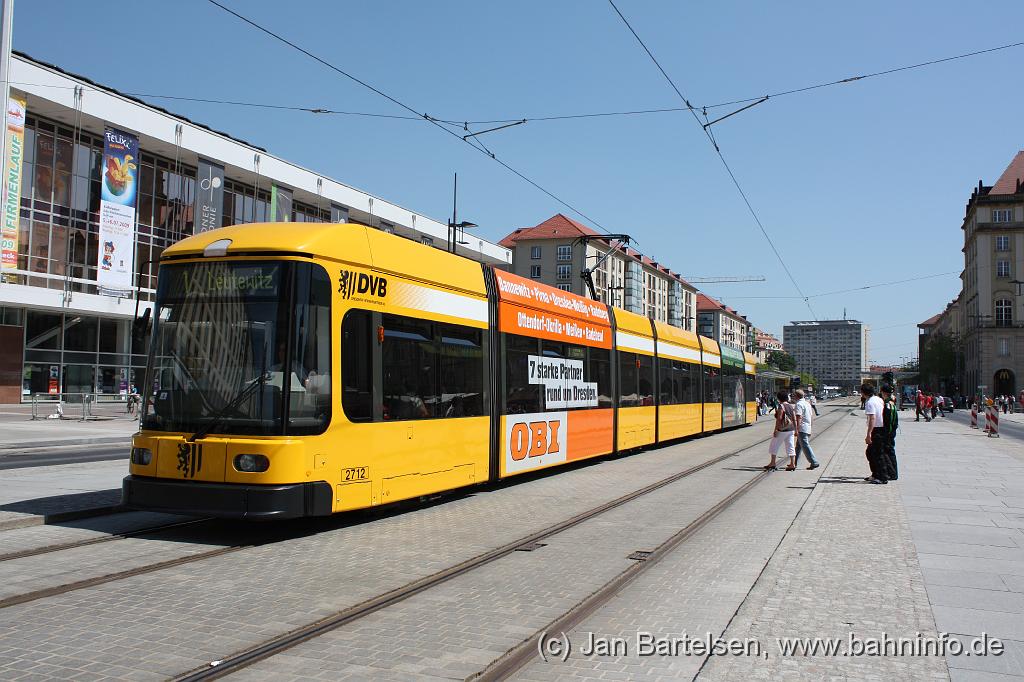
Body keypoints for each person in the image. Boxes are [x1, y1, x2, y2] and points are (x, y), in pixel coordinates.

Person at [861, 383, 889, 484]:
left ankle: (882, 477)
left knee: (877, 454)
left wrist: (869, 434)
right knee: (870, 453)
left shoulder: (870, 403)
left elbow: (872, 418)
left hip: (876, 430)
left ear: (863, 393)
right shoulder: (878, 399)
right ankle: (875, 474)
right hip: (881, 429)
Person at [764, 390, 797, 471]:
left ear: (779, 398)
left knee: (774, 445)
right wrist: (796, 429)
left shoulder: (781, 406)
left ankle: (772, 463)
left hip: (782, 430)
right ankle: (792, 464)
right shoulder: (790, 406)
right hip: (791, 429)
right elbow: (794, 418)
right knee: (790, 446)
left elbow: (779, 419)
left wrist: (776, 429)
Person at [792, 389, 819, 470]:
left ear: (796, 396)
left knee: (805, 445)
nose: (793, 397)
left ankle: (814, 462)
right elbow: (811, 417)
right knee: (798, 447)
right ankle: (794, 463)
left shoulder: (799, 404)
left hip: (802, 428)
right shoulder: (807, 403)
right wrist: (811, 427)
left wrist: (797, 429)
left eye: (794, 395)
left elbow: (799, 417)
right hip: (807, 427)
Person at [879, 384, 899, 481]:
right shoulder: (892, 402)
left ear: (883, 392)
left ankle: (891, 473)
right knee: (891, 451)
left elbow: (888, 420)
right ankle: (893, 472)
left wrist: (885, 433)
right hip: (892, 431)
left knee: (887, 451)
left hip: (888, 432)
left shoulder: (887, 404)